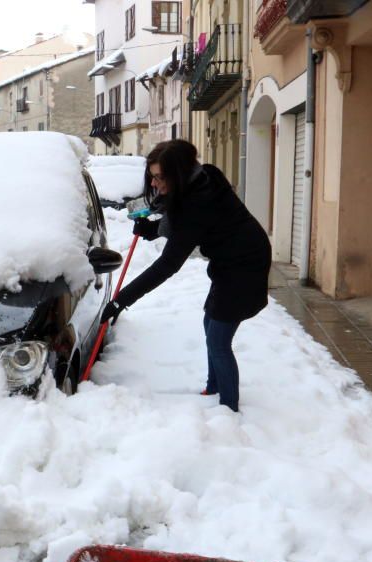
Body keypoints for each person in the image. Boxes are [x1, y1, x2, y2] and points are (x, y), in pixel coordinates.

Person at [100, 140, 272, 412]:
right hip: (231, 260)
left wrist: (122, 299)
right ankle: (214, 387)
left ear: (178, 173)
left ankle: (229, 409)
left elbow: (168, 264)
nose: (154, 184)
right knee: (210, 324)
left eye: (159, 177)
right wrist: (154, 229)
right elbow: (187, 217)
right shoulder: (205, 175)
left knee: (219, 340)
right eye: (152, 177)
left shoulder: (196, 203)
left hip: (244, 266)